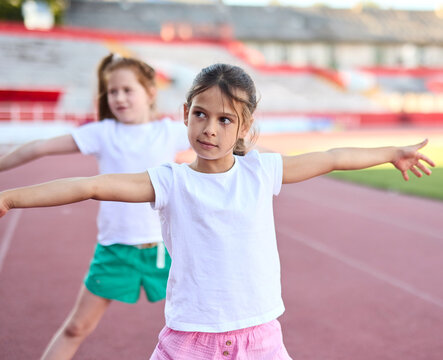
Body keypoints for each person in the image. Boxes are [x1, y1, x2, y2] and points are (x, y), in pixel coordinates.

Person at [0, 63, 435, 359]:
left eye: (225, 120)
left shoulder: (262, 172)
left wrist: (391, 151)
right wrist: (10, 197)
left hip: (260, 336)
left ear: (245, 127)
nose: (210, 128)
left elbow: (333, 156)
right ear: (184, 114)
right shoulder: (169, 181)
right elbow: (89, 186)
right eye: (201, 115)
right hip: (190, 339)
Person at [0, 53, 189, 360]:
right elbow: (38, 148)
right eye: (112, 91)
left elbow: (224, 142)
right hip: (114, 250)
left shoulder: (169, 132)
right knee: (76, 328)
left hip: (168, 251)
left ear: (151, 92)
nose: (118, 97)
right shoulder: (101, 133)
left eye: (128, 90)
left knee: (197, 328)